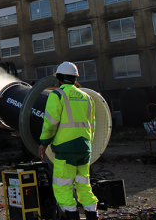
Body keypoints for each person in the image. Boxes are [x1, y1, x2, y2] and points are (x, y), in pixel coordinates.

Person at [38, 61, 98, 220]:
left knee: (62, 186)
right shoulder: (87, 97)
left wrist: (44, 143)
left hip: (65, 149)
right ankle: (93, 215)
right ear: (75, 78)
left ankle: (72, 216)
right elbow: (92, 123)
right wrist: (86, 143)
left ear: (58, 78)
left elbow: (50, 123)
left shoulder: (57, 95)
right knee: (84, 185)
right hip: (85, 147)